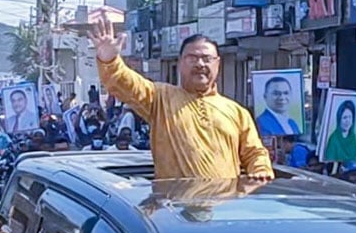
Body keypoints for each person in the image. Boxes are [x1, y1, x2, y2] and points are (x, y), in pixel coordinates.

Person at [92, 18, 273, 182]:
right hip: (175, 210)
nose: (200, 64)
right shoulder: (160, 98)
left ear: (218, 64)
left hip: (223, 211)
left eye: (206, 59)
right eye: (192, 58)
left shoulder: (236, 112)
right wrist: (110, 60)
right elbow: (126, 85)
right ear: (180, 63)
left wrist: (261, 170)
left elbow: (254, 152)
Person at [323, 99, 356, 164]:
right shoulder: (334, 139)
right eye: (345, 117)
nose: (347, 121)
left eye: (350, 117)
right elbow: (330, 162)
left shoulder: (352, 137)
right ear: (339, 119)